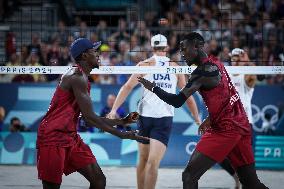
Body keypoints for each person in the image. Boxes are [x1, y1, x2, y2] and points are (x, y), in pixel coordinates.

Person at [138, 32, 268, 189]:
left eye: (184, 49)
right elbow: (230, 96)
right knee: (251, 182)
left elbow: (177, 101)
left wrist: (152, 87)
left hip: (225, 129)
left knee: (188, 176)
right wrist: (210, 118)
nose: (182, 53)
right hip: (241, 124)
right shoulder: (218, 63)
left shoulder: (201, 72)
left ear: (197, 47)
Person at [36, 38, 148, 189]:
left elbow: (88, 118)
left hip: (70, 136)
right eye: (94, 51)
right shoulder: (76, 77)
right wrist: (121, 134)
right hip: (52, 136)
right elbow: (90, 118)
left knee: (99, 180)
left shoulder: (83, 78)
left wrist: (122, 122)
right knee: (52, 186)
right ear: (84, 56)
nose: (98, 54)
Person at [107, 34, 201, 189]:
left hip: (149, 119)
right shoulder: (175, 67)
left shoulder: (145, 64)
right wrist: (196, 118)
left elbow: (127, 87)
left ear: (152, 47)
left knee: (145, 160)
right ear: (167, 47)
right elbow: (188, 97)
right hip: (158, 119)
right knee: (150, 163)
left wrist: (114, 110)